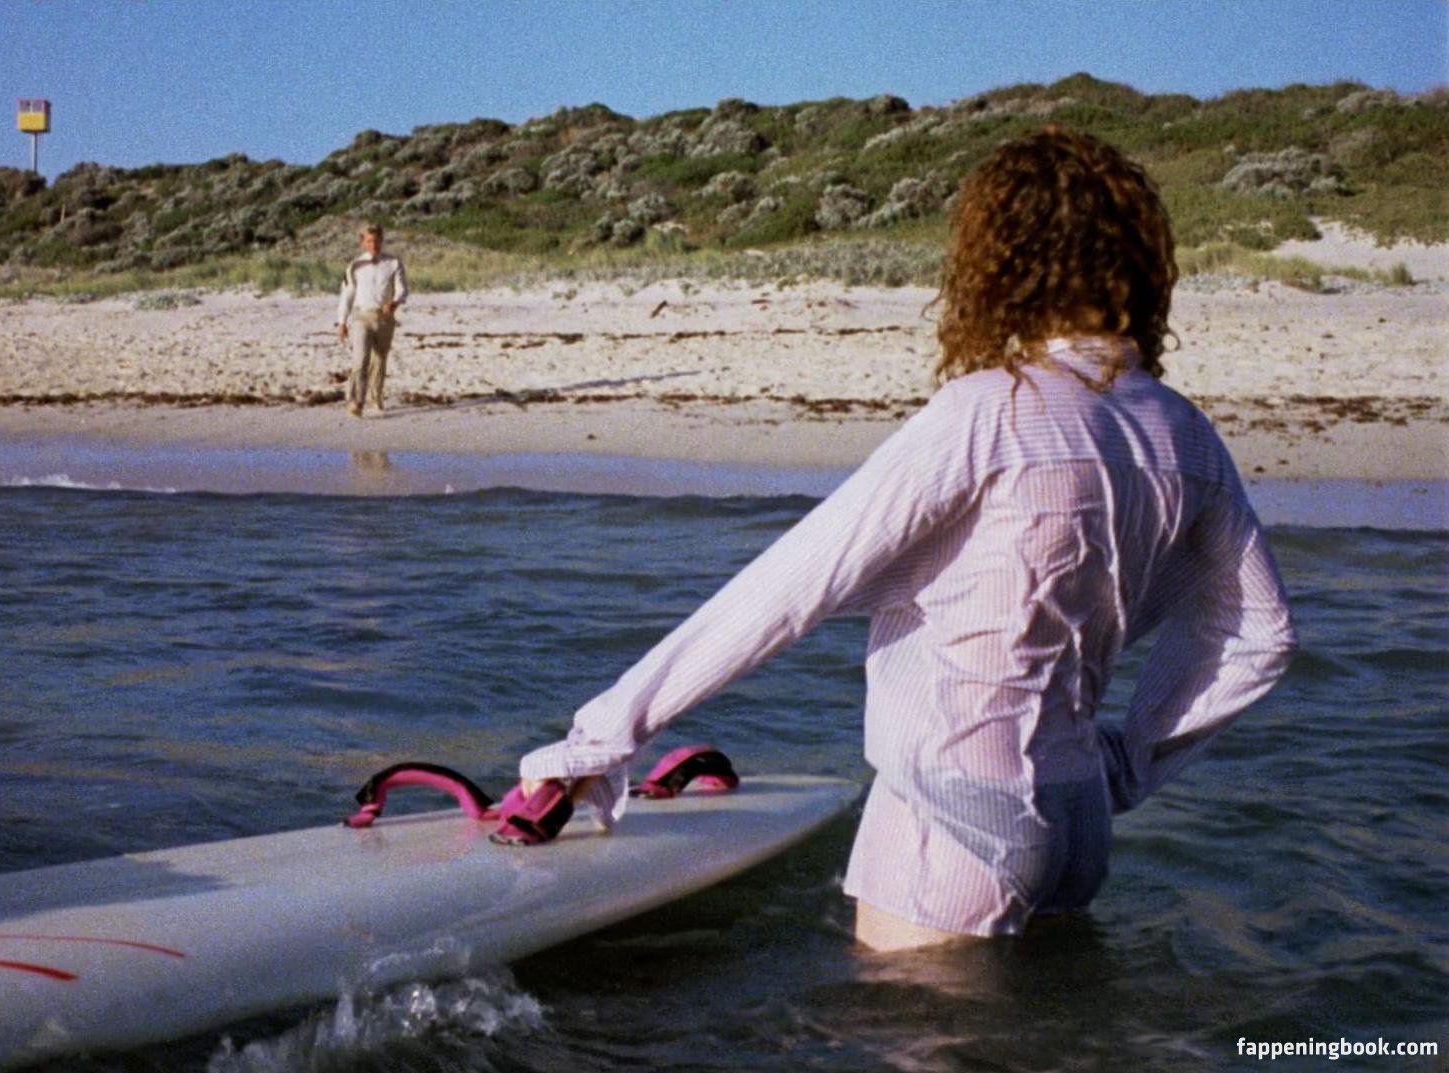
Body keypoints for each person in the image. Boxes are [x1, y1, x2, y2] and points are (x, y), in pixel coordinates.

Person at [508, 126, 1298, 951]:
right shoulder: (1185, 434)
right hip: (1081, 821)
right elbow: (1262, 634)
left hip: (956, 813)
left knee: (901, 1018)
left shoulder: (988, 412)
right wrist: (1130, 760)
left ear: (1004, 260)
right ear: (1136, 261)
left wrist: (600, 739)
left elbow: (790, 587)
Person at [335, 223, 409, 417]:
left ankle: (376, 400)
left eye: (376, 241)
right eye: (369, 241)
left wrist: (394, 303)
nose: (373, 245)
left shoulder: (393, 263)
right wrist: (342, 322)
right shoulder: (355, 265)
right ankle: (356, 402)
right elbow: (347, 295)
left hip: (385, 318)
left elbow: (402, 290)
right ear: (363, 243)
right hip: (362, 317)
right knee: (360, 360)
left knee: (379, 360)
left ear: (381, 240)